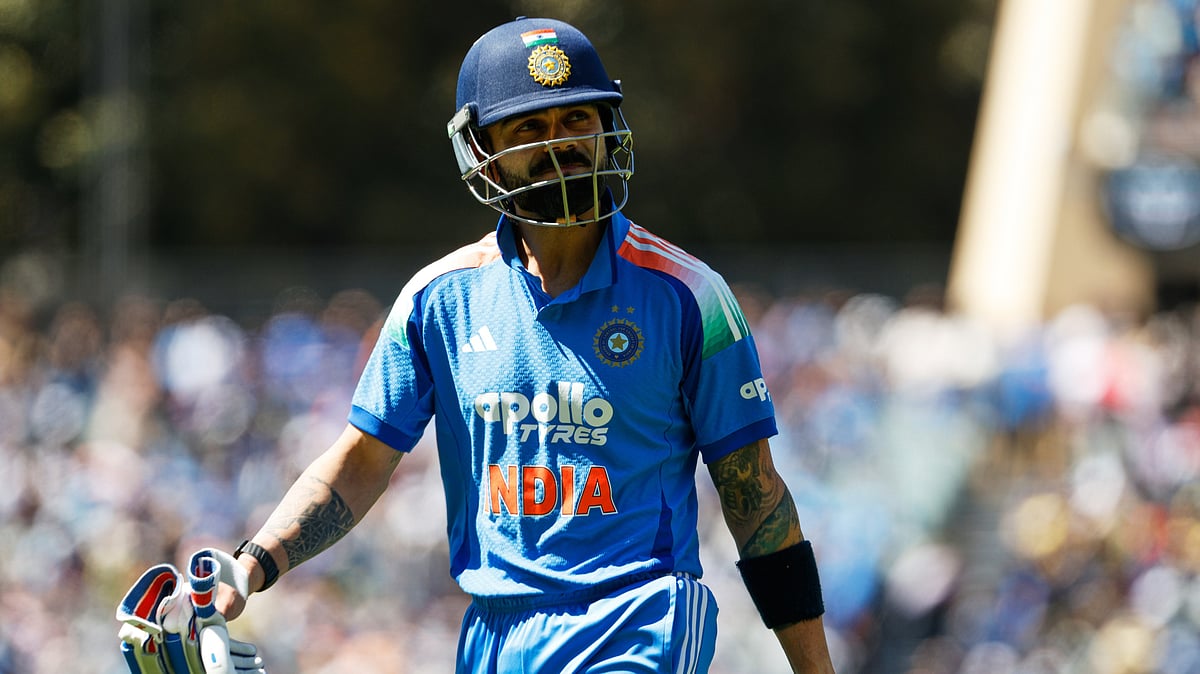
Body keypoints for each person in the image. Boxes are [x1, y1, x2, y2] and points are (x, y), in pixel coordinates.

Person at [215, 16, 836, 673]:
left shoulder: (689, 296)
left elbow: (755, 498)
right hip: (495, 635)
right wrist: (252, 564)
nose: (560, 143)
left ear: (607, 128)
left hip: (640, 619)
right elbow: (363, 459)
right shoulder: (438, 299)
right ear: (481, 148)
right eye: (529, 128)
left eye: (577, 120)